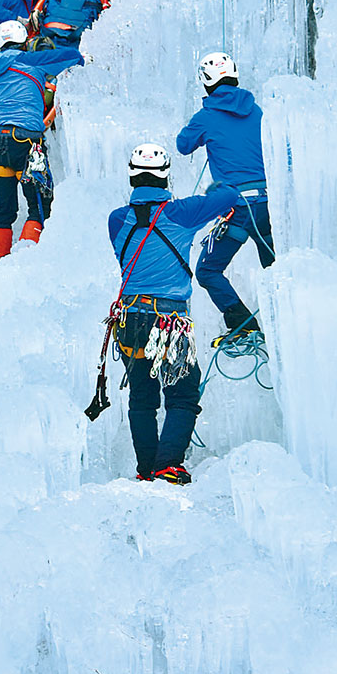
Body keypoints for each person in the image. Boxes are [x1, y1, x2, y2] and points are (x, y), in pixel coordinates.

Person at [107, 143, 240, 485]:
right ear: (165, 175)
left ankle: (147, 468)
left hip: (129, 320)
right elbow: (229, 198)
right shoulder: (181, 212)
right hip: (168, 321)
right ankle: (168, 464)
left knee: (142, 396)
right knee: (182, 393)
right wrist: (217, 188)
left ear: (132, 176)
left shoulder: (116, 219)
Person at [176, 52, 276, 340]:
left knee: (208, 271)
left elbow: (183, 145)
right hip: (267, 206)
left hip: (238, 207)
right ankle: (285, 324)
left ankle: (244, 327)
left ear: (206, 83)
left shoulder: (206, 117)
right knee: (273, 269)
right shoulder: (257, 111)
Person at [0, 21, 84, 262]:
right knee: (40, 203)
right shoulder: (30, 60)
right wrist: (84, 57)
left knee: (3, 209)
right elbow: (69, 56)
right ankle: (29, 262)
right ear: (24, 41)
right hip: (26, 141)